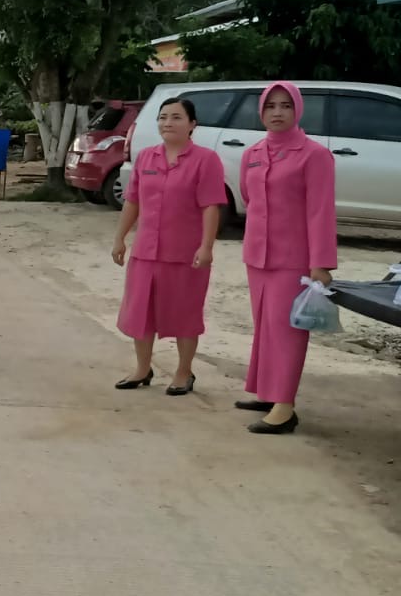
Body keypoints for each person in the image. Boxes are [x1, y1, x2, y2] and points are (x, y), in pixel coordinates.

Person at [236, 82, 337, 435]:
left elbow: (320, 211)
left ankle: (285, 407)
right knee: (264, 325)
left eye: (285, 106)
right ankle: (268, 392)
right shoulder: (253, 153)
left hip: (295, 258)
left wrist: (321, 263)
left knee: (287, 330)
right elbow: (249, 198)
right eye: (270, 106)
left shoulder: (313, 154)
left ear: (298, 110)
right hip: (258, 255)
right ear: (261, 111)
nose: (277, 112)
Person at [110, 97, 227, 395]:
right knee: (141, 311)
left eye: (176, 117)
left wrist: (206, 246)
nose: (167, 123)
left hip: (186, 254)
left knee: (185, 313)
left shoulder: (206, 159)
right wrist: (120, 238)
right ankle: (142, 368)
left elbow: (211, 206)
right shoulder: (147, 158)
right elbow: (133, 201)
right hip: (146, 251)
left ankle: (184, 372)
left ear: (192, 124)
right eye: (163, 117)